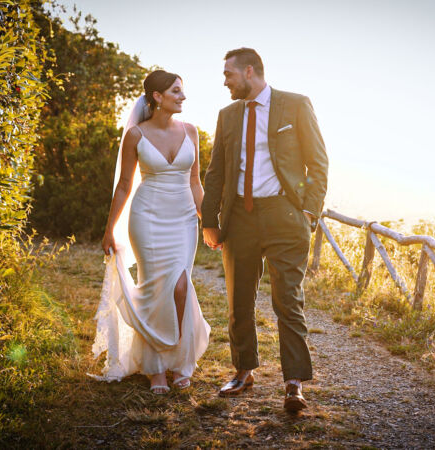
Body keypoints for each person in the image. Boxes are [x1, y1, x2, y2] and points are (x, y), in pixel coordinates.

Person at [201, 48, 329, 412]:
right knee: (239, 297)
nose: (225, 81)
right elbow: (216, 171)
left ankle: (294, 383)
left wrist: (307, 213)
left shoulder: (296, 105)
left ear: (250, 71)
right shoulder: (227, 115)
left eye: (229, 74)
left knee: (288, 299)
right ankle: (243, 371)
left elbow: (318, 163)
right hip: (239, 217)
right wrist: (210, 220)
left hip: (285, 216)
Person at [91, 70, 210, 395]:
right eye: (176, 91)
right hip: (147, 219)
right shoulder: (136, 135)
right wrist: (109, 229)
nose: (182, 97)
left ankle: (180, 362)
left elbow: (196, 182)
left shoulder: (191, 132)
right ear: (157, 96)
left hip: (184, 219)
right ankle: (156, 368)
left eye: (182, 91)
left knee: (181, 287)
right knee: (156, 289)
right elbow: (125, 186)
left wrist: (208, 220)